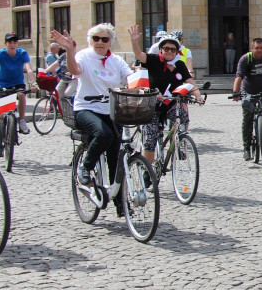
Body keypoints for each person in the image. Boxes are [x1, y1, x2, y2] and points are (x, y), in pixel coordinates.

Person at [51, 24, 132, 207]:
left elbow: (130, 78)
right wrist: (69, 50)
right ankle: (85, 168)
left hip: (110, 111)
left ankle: (120, 203)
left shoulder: (116, 60)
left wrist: (145, 88)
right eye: (96, 38)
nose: (100, 42)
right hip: (86, 108)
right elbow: (75, 71)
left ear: (110, 42)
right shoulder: (84, 56)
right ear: (91, 41)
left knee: (114, 157)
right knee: (104, 135)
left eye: (104, 39)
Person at [128, 25, 202, 168]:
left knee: (183, 117)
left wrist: (198, 95)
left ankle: (178, 142)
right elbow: (139, 55)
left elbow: (189, 81)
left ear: (177, 51)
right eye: (166, 49)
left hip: (170, 104)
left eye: (172, 49)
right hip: (153, 106)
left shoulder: (180, 64)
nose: (169, 51)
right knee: (151, 138)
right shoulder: (154, 60)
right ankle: (147, 170)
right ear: (161, 49)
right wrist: (134, 41)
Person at [0, 32, 35, 134]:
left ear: (17, 43)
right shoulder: (0, 54)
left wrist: (33, 83)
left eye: (14, 42)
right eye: (9, 42)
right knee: (1, 114)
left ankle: (21, 120)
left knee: (21, 95)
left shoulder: (22, 53)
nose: (12, 44)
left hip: (18, 83)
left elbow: (29, 69)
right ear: (5, 43)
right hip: (3, 84)